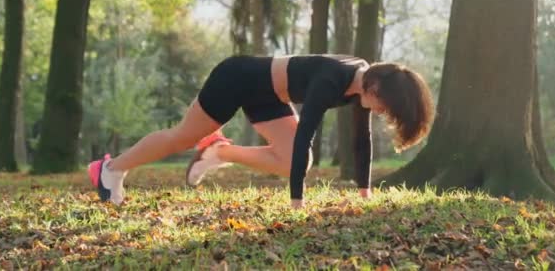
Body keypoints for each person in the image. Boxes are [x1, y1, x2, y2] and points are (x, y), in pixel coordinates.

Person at [88, 54, 435, 209]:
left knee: (293, 161)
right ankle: (111, 168)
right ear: (374, 87)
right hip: (237, 78)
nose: (384, 112)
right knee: (182, 136)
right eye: (386, 105)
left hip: (269, 94)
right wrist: (297, 202)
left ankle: (218, 152)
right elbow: (305, 135)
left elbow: (362, 139)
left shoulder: (362, 84)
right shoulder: (331, 81)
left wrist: (365, 193)